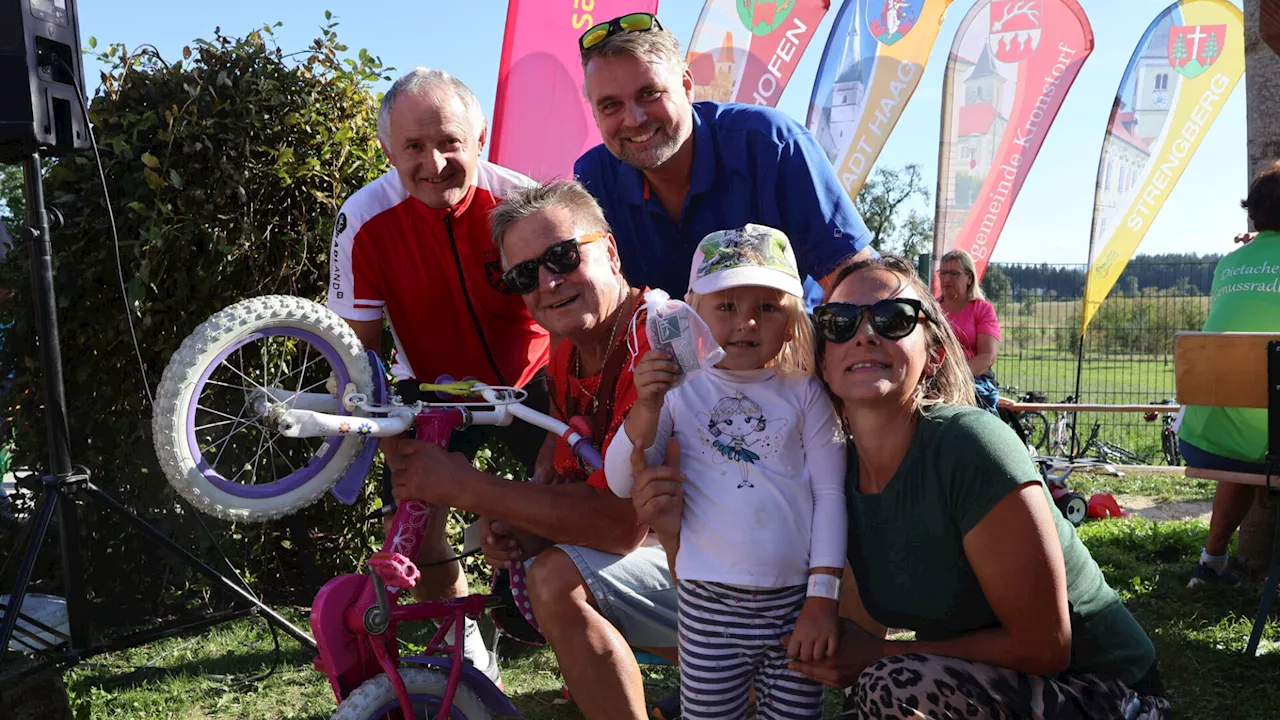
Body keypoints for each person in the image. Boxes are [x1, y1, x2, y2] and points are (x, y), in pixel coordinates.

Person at [635, 255, 1171, 719]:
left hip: (1106, 696)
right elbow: (854, 626)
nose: (864, 334)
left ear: (934, 353)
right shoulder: (830, 479)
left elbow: (1047, 647)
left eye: (893, 319)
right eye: (840, 322)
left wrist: (873, 659)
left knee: (891, 686)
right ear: (823, 355)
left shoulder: (971, 446)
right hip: (985, 687)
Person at [388, 179, 679, 720]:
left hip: (759, 577)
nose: (548, 281)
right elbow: (576, 489)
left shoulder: (660, 339)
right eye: (524, 274)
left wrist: (468, 488)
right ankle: (733, 679)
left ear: (610, 252)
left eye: (563, 256)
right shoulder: (565, 351)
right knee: (537, 569)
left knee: (554, 579)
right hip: (691, 557)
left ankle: (741, 669)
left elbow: (619, 525)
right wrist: (518, 524)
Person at [326, 67, 552, 683]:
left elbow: (571, 319)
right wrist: (398, 457)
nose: (434, 162)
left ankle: (578, 616)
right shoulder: (364, 218)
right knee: (413, 515)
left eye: (450, 141)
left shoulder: (522, 203)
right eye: (414, 147)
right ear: (387, 149)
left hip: (531, 378)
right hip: (428, 386)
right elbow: (355, 354)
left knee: (575, 497)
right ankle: (466, 636)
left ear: (480, 136)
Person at [605, 225, 846, 720]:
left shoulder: (805, 393)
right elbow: (622, 482)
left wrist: (823, 597)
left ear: (792, 317)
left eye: (767, 307)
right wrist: (646, 405)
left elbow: (830, 495)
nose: (747, 324)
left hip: (794, 602)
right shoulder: (677, 388)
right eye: (727, 306)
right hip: (705, 604)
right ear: (693, 308)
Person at [573, 13, 873, 301]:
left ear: (687, 86)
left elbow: (857, 285)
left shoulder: (772, 146)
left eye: (649, 93)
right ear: (596, 116)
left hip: (786, 350)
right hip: (657, 354)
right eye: (611, 105)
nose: (634, 119)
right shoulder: (593, 178)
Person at [1180, 159, 1280, 587]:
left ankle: (1212, 562)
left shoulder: (1229, 263)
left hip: (1206, 443)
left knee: (1244, 432)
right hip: (1270, 447)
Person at [936, 249, 1002, 413]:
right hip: (935, 382)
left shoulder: (983, 309)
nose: (946, 279)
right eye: (942, 273)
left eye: (954, 273)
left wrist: (953, 378)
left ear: (969, 278)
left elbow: (988, 357)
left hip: (974, 382)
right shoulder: (932, 310)